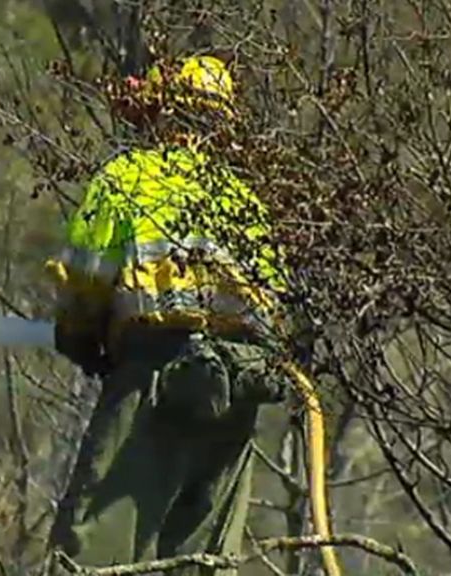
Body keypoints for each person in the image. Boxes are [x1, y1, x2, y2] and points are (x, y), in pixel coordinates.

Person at [45, 55, 290, 572]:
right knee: (202, 559)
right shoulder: (245, 201)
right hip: (236, 397)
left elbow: (85, 281)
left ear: (159, 111)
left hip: (153, 382)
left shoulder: (128, 178)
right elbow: (275, 311)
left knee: (95, 551)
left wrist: (79, 336)